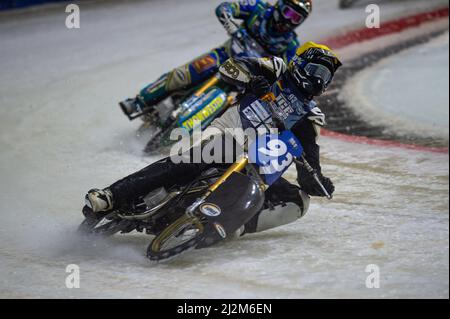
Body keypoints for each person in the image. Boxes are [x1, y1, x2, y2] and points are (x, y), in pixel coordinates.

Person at [86, 42, 342, 236]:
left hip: (256, 165)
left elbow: (309, 162)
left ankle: (233, 228)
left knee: (298, 202)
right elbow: (230, 66)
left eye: (325, 76)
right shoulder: (276, 69)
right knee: (192, 159)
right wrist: (252, 81)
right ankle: (112, 195)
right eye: (315, 70)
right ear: (298, 64)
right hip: (226, 132)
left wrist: (317, 181)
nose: (319, 79)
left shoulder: (311, 117)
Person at [120, 0, 313, 120]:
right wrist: (231, 26)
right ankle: (138, 102)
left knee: (230, 113)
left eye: (296, 18)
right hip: (223, 56)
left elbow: (286, 74)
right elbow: (225, 7)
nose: (289, 20)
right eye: (288, 13)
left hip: (244, 78)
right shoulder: (259, 9)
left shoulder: (290, 44)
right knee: (182, 75)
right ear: (280, 6)